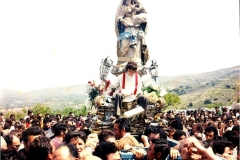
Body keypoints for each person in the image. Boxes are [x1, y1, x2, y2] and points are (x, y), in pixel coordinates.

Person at [115, 0, 149, 66]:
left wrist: (136, 19)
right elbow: (119, 17)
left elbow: (145, 15)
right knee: (125, 46)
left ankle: (136, 62)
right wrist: (122, 20)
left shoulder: (137, 6)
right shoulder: (123, 7)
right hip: (126, 28)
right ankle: (124, 62)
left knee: (136, 47)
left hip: (136, 29)